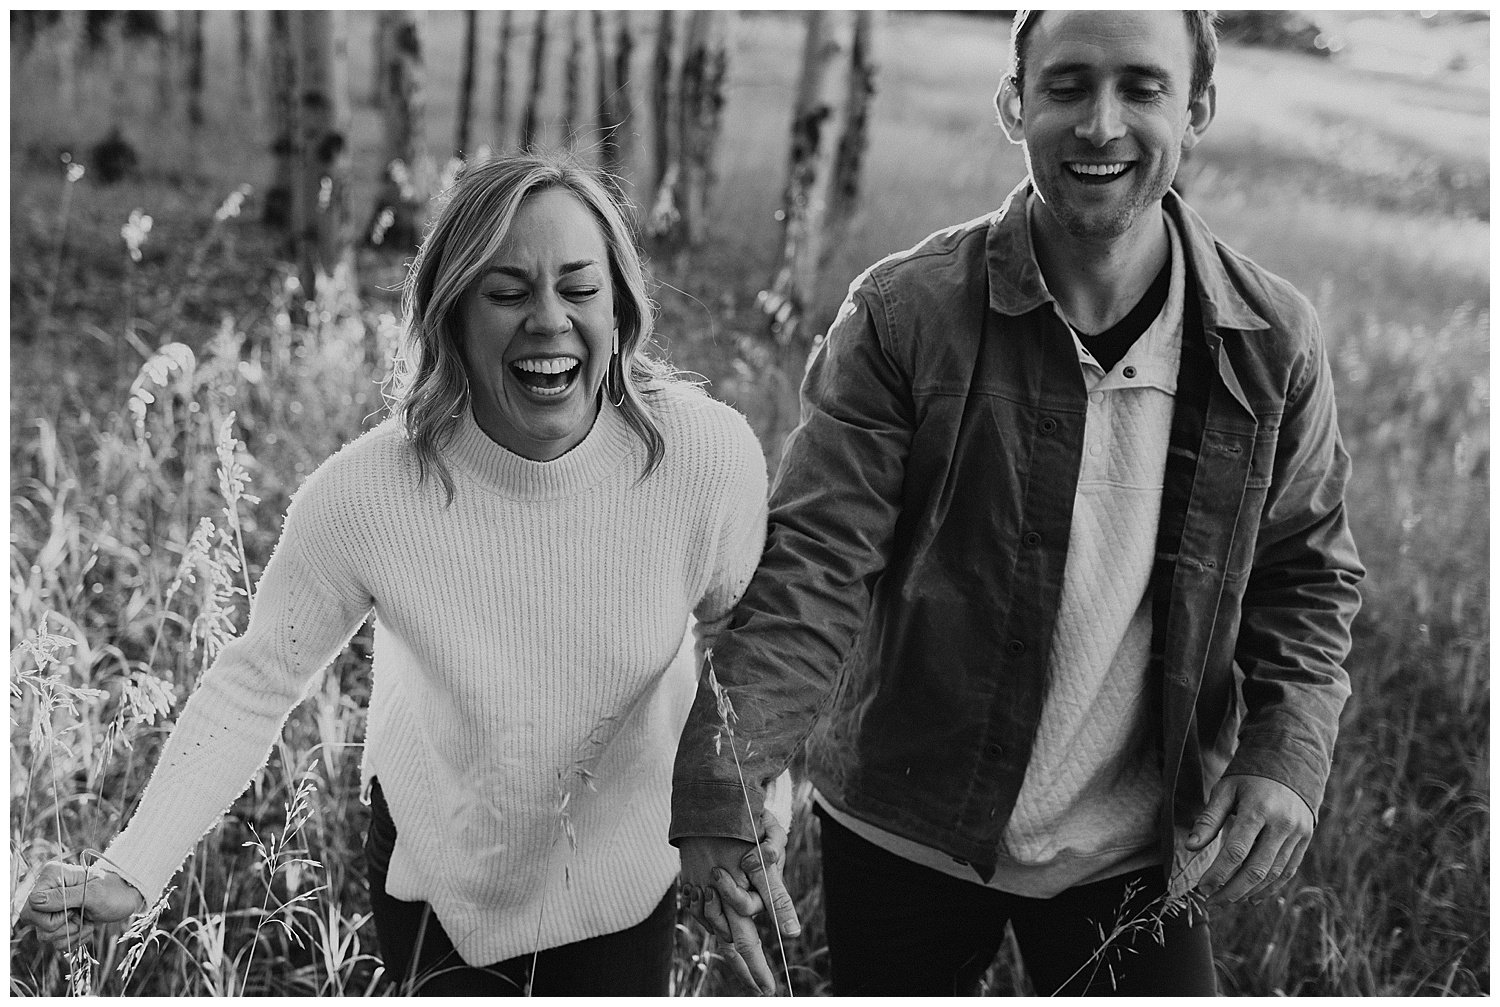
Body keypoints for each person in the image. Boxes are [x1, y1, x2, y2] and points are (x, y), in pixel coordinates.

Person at [671, 9, 1363, 996]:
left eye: (1144, 87)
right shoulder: (902, 314)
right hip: (904, 821)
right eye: (1068, 86)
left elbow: (1308, 572)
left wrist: (1286, 749)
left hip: (1135, 841)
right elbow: (816, 567)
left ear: (1199, 106)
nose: (1101, 123)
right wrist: (724, 781)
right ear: (1014, 103)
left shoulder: (1271, 340)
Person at [19, 151, 793, 996]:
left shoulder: (706, 461)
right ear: (453, 314)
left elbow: (745, 642)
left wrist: (747, 808)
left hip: (622, 875)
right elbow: (257, 679)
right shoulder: (371, 492)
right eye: (507, 292)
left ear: (622, 307)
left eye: (579, 289)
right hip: (438, 873)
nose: (548, 320)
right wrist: (133, 867)